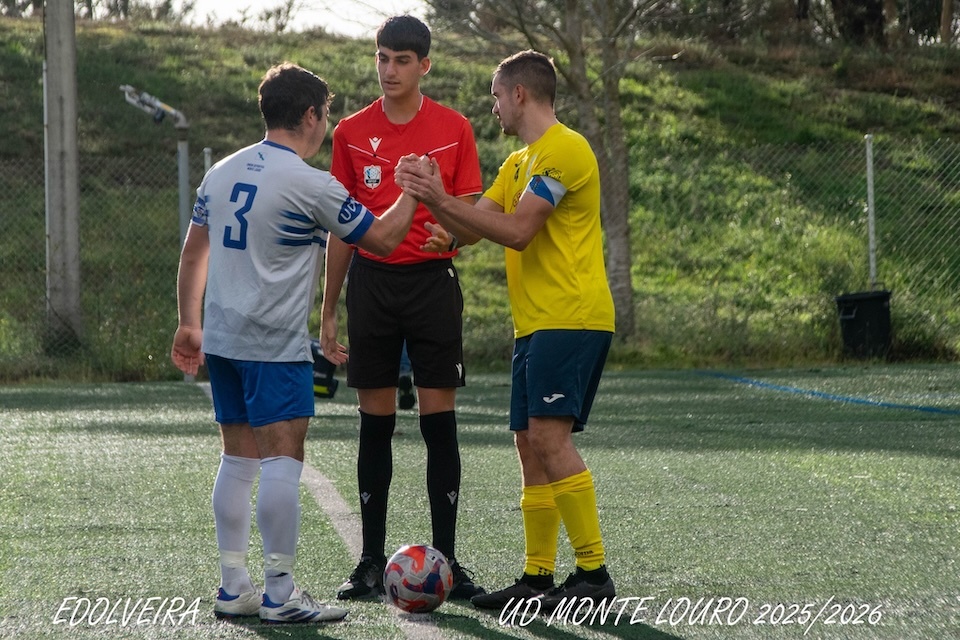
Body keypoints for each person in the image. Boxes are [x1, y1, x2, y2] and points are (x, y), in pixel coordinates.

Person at [170, 62, 419, 624]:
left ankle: (234, 586)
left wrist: (190, 325)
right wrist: (413, 191)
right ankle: (280, 593)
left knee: (237, 459)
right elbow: (380, 237)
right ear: (310, 115)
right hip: (273, 344)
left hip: (225, 342)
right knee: (284, 458)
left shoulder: (221, 171)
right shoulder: (310, 182)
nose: (326, 126)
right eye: (325, 116)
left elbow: (193, 254)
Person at [396, 49, 617, 612]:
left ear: (519, 94)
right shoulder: (519, 161)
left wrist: (439, 200)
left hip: (571, 315)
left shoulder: (565, 149)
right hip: (537, 323)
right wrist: (435, 205)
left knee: (549, 439)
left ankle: (593, 573)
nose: (492, 106)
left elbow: (517, 231)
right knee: (528, 446)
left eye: (496, 95)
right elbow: (474, 225)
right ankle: (538, 578)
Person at [319, 15, 486, 602]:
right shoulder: (350, 133)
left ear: (425, 66)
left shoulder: (453, 128)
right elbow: (343, 230)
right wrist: (329, 310)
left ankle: (450, 560)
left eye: (401, 61)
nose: (389, 71)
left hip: (432, 285)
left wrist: (455, 238)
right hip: (373, 286)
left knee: (439, 422)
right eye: (382, 58)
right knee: (376, 424)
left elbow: (468, 210)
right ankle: (368, 560)